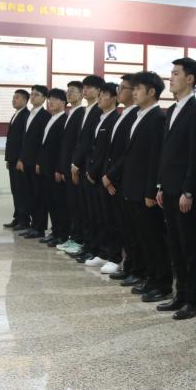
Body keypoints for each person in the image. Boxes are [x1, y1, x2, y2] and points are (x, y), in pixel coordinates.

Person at [155, 58, 196, 319]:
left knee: (190, 248)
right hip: (169, 188)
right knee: (175, 246)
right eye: (171, 73)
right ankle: (180, 295)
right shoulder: (172, 110)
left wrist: (188, 190)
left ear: (190, 79)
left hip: (185, 192)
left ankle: (194, 300)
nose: (171, 78)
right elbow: (166, 152)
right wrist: (160, 185)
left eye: (176, 73)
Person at [117, 72, 170, 301]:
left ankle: (162, 283)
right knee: (142, 237)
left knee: (154, 238)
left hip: (145, 191)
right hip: (132, 187)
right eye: (134, 88)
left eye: (139, 89)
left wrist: (151, 190)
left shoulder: (157, 118)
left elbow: (155, 158)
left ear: (152, 92)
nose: (134, 93)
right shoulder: (139, 116)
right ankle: (150, 277)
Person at [100, 75, 140, 279]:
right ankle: (124, 262)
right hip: (112, 179)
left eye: (123, 88)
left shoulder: (135, 115)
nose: (119, 92)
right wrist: (107, 175)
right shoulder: (123, 114)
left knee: (128, 227)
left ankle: (126, 263)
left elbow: (127, 153)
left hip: (122, 180)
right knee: (118, 223)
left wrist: (112, 176)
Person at [82, 83, 121, 269]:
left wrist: (98, 172)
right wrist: (89, 170)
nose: (100, 97)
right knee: (97, 217)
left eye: (104, 94)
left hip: (103, 176)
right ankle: (102, 252)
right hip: (93, 175)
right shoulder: (100, 118)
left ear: (114, 98)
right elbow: (93, 148)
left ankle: (114, 256)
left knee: (110, 219)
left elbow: (108, 152)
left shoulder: (115, 119)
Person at [68, 76, 104, 261]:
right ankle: (87, 244)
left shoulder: (98, 110)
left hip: (89, 168)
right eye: (84, 87)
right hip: (80, 166)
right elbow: (79, 141)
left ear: (99, 91)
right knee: (84, 209)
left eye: (90, 87)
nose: (85, 90)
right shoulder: (84, 111)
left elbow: (90, 143)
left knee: (93, 212)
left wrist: (78, 163)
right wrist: (74, 163)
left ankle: (94, 247)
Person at [53, 82, 86, 251]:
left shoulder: (81, 113)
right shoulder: (70, 113)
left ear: (81, 94)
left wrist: (74, 165)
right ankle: (73, 236)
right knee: (70, 205)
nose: (69, 94)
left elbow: (78, 144)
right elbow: (64, 144)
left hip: (74, 168)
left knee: (77, 206)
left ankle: (78, 239)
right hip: (66, 167)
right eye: (68, 91)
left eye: (72, 91)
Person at [36, 89, 69, 245]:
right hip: (45, 167)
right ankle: (55, 231)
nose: (50, 102)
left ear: (63, 102)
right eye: (49, 99)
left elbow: (62, 148)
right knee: (50, 201)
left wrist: (59, 169)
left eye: (54, 99)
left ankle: (62, 234)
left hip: (55, 169)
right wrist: (39, 163)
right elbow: (44, 145)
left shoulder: (64, 120)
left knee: (59, 202)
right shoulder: (51, 118)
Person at [18, 85, 51, 238]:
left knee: (39, 196)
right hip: (26, 161)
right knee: (29, 194)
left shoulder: (45, 116)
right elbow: (25, 140)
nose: (32, 97)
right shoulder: (29, 114)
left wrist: (39, 162)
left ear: (44, 98)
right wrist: (21, 158)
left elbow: (43, 142)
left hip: (36, 163)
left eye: (36, 95)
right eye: (31, 94)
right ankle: (33, 224)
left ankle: (40, 227)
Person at [3, 89, 30, 230]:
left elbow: (24, 140)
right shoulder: (16, 114)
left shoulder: (26, 115)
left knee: (21, 190)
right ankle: (18, 217)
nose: (14, 100)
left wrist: (20, 158)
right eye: (13, 97)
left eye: (17, 98)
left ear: (25, 100)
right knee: (15, 190)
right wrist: (9, 159)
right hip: (12, 159)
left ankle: (24, 220)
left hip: (19, 160)